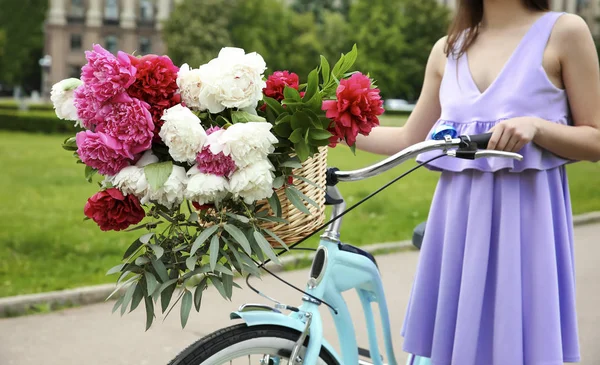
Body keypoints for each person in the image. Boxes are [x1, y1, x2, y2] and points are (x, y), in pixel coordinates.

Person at [354, 1, 600, 364]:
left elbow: (595, 140)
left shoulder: (565, 31)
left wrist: (537, 127)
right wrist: (331, 126)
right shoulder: (446, 49)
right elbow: (409, 140)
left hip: (526, 238)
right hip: (457, 237)